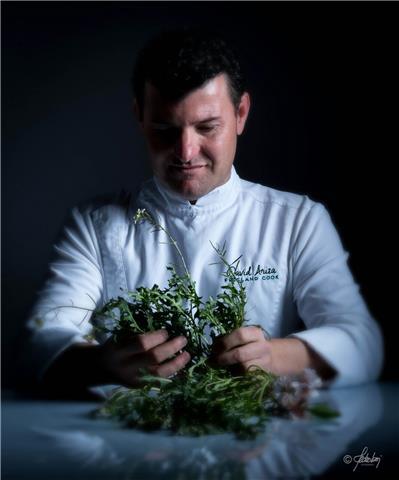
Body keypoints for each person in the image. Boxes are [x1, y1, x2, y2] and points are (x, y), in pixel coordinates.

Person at [23, 29, 383, 395]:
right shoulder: (94, 224)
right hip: (131, 445)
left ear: (241, 114)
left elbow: (363, 344)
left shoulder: (298, 221)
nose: (185, 151)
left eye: (207, 127)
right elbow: (40, 340)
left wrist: (273, 356)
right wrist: (103, 362)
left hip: (258, 447)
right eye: (165, 129)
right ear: (140, 117)